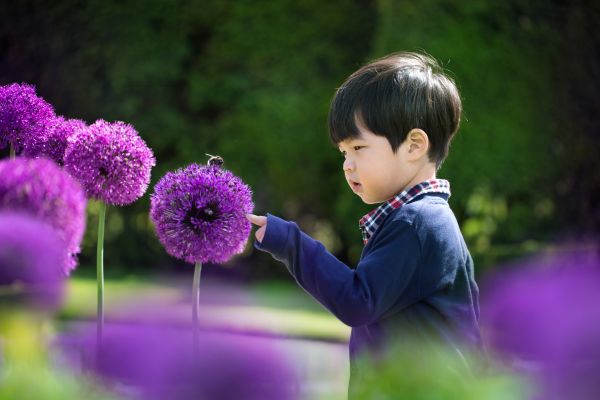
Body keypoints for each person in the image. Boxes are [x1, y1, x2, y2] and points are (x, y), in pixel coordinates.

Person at [246, 52, 481, 396]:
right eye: (344, 152)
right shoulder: (420, 216)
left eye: (358, 147)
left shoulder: (417, 222)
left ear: (414, 145)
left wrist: (290, 242)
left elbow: (358, 300)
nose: (348, 164)